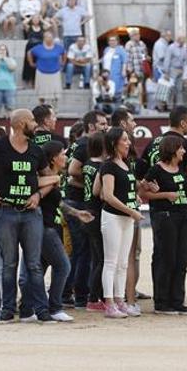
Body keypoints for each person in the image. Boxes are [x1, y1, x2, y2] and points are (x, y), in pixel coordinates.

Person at [0, 109, 53, 324]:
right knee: (9, 263)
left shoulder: (36, 150)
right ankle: (7, 310)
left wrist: (38, 194)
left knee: (34, 264)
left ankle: (42, 310)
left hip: (31, 212)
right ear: (22, 123)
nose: (35, 124)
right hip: (5, 210)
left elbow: (51, 179)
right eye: (32, 121)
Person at [20, 141, 93, 322]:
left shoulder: (54, 177)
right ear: (53, 158)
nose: (66, 157)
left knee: (35, 270)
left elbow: (57, 203)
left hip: (48, 227)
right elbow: (40, 194)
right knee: (62, 266)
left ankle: (27, 310)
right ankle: (54, 307)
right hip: (44, 228)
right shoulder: (47, 178)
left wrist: (76, 213)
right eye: (63, 154)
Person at [141, 134, 187, 315]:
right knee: (166, 258)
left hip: (183, 215)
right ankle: (162, 302)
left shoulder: (180, 168)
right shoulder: (156, 170)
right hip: (164, 216)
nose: (184, 151)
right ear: (172, 150)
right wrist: (165, 195)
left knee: (181, 259)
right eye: (181, 148)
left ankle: (177, 300)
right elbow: (143, 193)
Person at [64, 110, 110, 308]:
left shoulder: (81, 144)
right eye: (101, 124)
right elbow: (72, 171)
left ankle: (72, 292)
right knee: (83, 252)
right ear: (91, 126)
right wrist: (93, 184)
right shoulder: (86, 145)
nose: (105, 127)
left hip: (77, 201)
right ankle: (80, 295)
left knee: (80, 251)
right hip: (79, 203)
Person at [97, 127, 143, 318]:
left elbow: (126, 191)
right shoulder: (108, 165)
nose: (128, 142)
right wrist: (131, 210)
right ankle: (109, 303)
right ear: (115, 143)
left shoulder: (125, 164)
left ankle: (119, 300)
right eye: (124, 140)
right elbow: (107, 195)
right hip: (114, 217)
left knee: (123, 262)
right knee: (111, 261)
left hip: (126, 217)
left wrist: (135, 201)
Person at [28, 31, 66, 105]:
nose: (49, 39)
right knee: (41, 93)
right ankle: (41, 106)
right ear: (44, 38)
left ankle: (54, 108)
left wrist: (63, 62)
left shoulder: (58, 47)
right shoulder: (39, 48)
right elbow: (29, 53)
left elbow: (64, 52)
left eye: (51, 37)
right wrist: (31, 63)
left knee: (55, 93)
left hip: (55, 72)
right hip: (41, 72)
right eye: (47, 37)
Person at [0, 44, 18, 116]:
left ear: (7, 51)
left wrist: (6, 59)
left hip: (9, 87)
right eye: (1, 49)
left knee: (10, 108)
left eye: (4, 49)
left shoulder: (11, 60)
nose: (2, 51)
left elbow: (12, 68)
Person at [21, 15, 48, 89]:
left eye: (37, 19)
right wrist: (30, 18)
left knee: (38, 64)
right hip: (30, 47)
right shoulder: (29, 27)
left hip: (39, 48)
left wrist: (41, 19)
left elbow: (49, 25)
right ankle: (29, 81)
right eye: (34, 19)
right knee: (29, 64)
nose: (36, 20)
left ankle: (36, 82)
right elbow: (24, 23)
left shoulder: (42, 28)